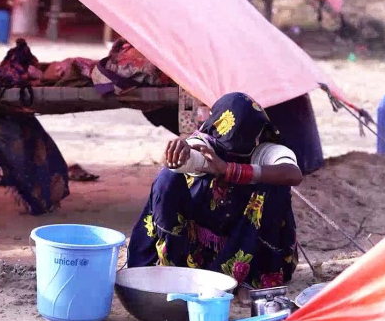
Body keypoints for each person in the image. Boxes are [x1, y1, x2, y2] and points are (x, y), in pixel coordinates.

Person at [128, 92, 302, 290]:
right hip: (198, 251)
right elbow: (186, 156)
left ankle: (253, 278)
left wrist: (229, 170)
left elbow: (293, 174)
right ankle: (172, 268)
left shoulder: (264, 150)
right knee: (167, 177)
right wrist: (178, 152)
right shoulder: (207, 145)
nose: (234, 154)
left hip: (251, 255)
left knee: (274, 187)